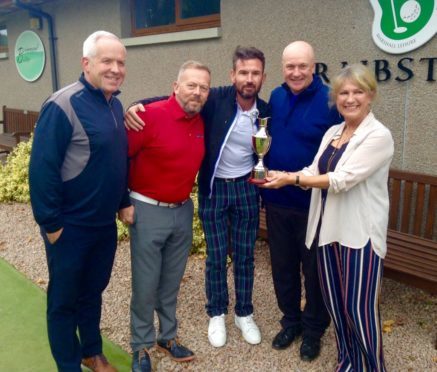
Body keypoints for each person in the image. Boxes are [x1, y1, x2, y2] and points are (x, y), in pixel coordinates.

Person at [124, 46, 270, 348]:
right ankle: (216, 312)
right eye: (243, 72)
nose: (249, 78)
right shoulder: (215, 98)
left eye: (255, 73)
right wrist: (135, 105)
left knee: (244, 255)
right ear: (233, 75)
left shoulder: (266, 111)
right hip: (214, 189)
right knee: (216, 256)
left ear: (263, 77)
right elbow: (174, 100)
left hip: (246, 187)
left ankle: (244, 313)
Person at [261, 63, 393, 371]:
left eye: (357, 92)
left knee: (359, 310)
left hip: (360, 235)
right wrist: (286, 174)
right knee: (337, 306)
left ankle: (372, 366)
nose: (350, 99)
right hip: (327, 230)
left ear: (370, 95)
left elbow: (341, 178)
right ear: (336, 98)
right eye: (344, 93)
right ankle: (348, 362)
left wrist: (293, 181)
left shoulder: (378, 135)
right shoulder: (335, 131)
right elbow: (314, 170)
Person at [29, 31, 133, 372]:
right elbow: (42, 170)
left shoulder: (115, 104)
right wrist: (52, 225)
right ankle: (68, 364)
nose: (116, 68)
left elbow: (116, 159)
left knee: (92, 293)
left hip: (103, 226)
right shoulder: (62, 105)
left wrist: (122, 201)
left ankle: (92, 351)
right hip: (70, 228)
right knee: (63, 301)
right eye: (108, 61)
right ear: (86, 63)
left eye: (120, 62)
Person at [261, 40, 342, 361]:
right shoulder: (277, 97)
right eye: (290, 66)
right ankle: (290, 321)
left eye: (302, 66)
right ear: (283, 68)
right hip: (278, 201)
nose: (296, 72)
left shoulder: (330, 101)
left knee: (315, 271)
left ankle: (312, 330)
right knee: (282, 267)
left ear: (313, 66)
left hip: (315, 205)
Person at [127, 60, 211, 372]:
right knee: (146, 282)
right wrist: (123, 202)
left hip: (182, 209)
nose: (198, 92)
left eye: (203, 87)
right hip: (147, 209)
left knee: (171, 281)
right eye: (191, 85)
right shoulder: (147, 117)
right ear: (175, 86)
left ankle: (168, 336)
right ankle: (140, 345)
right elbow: (120, 157)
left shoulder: (203, 121)